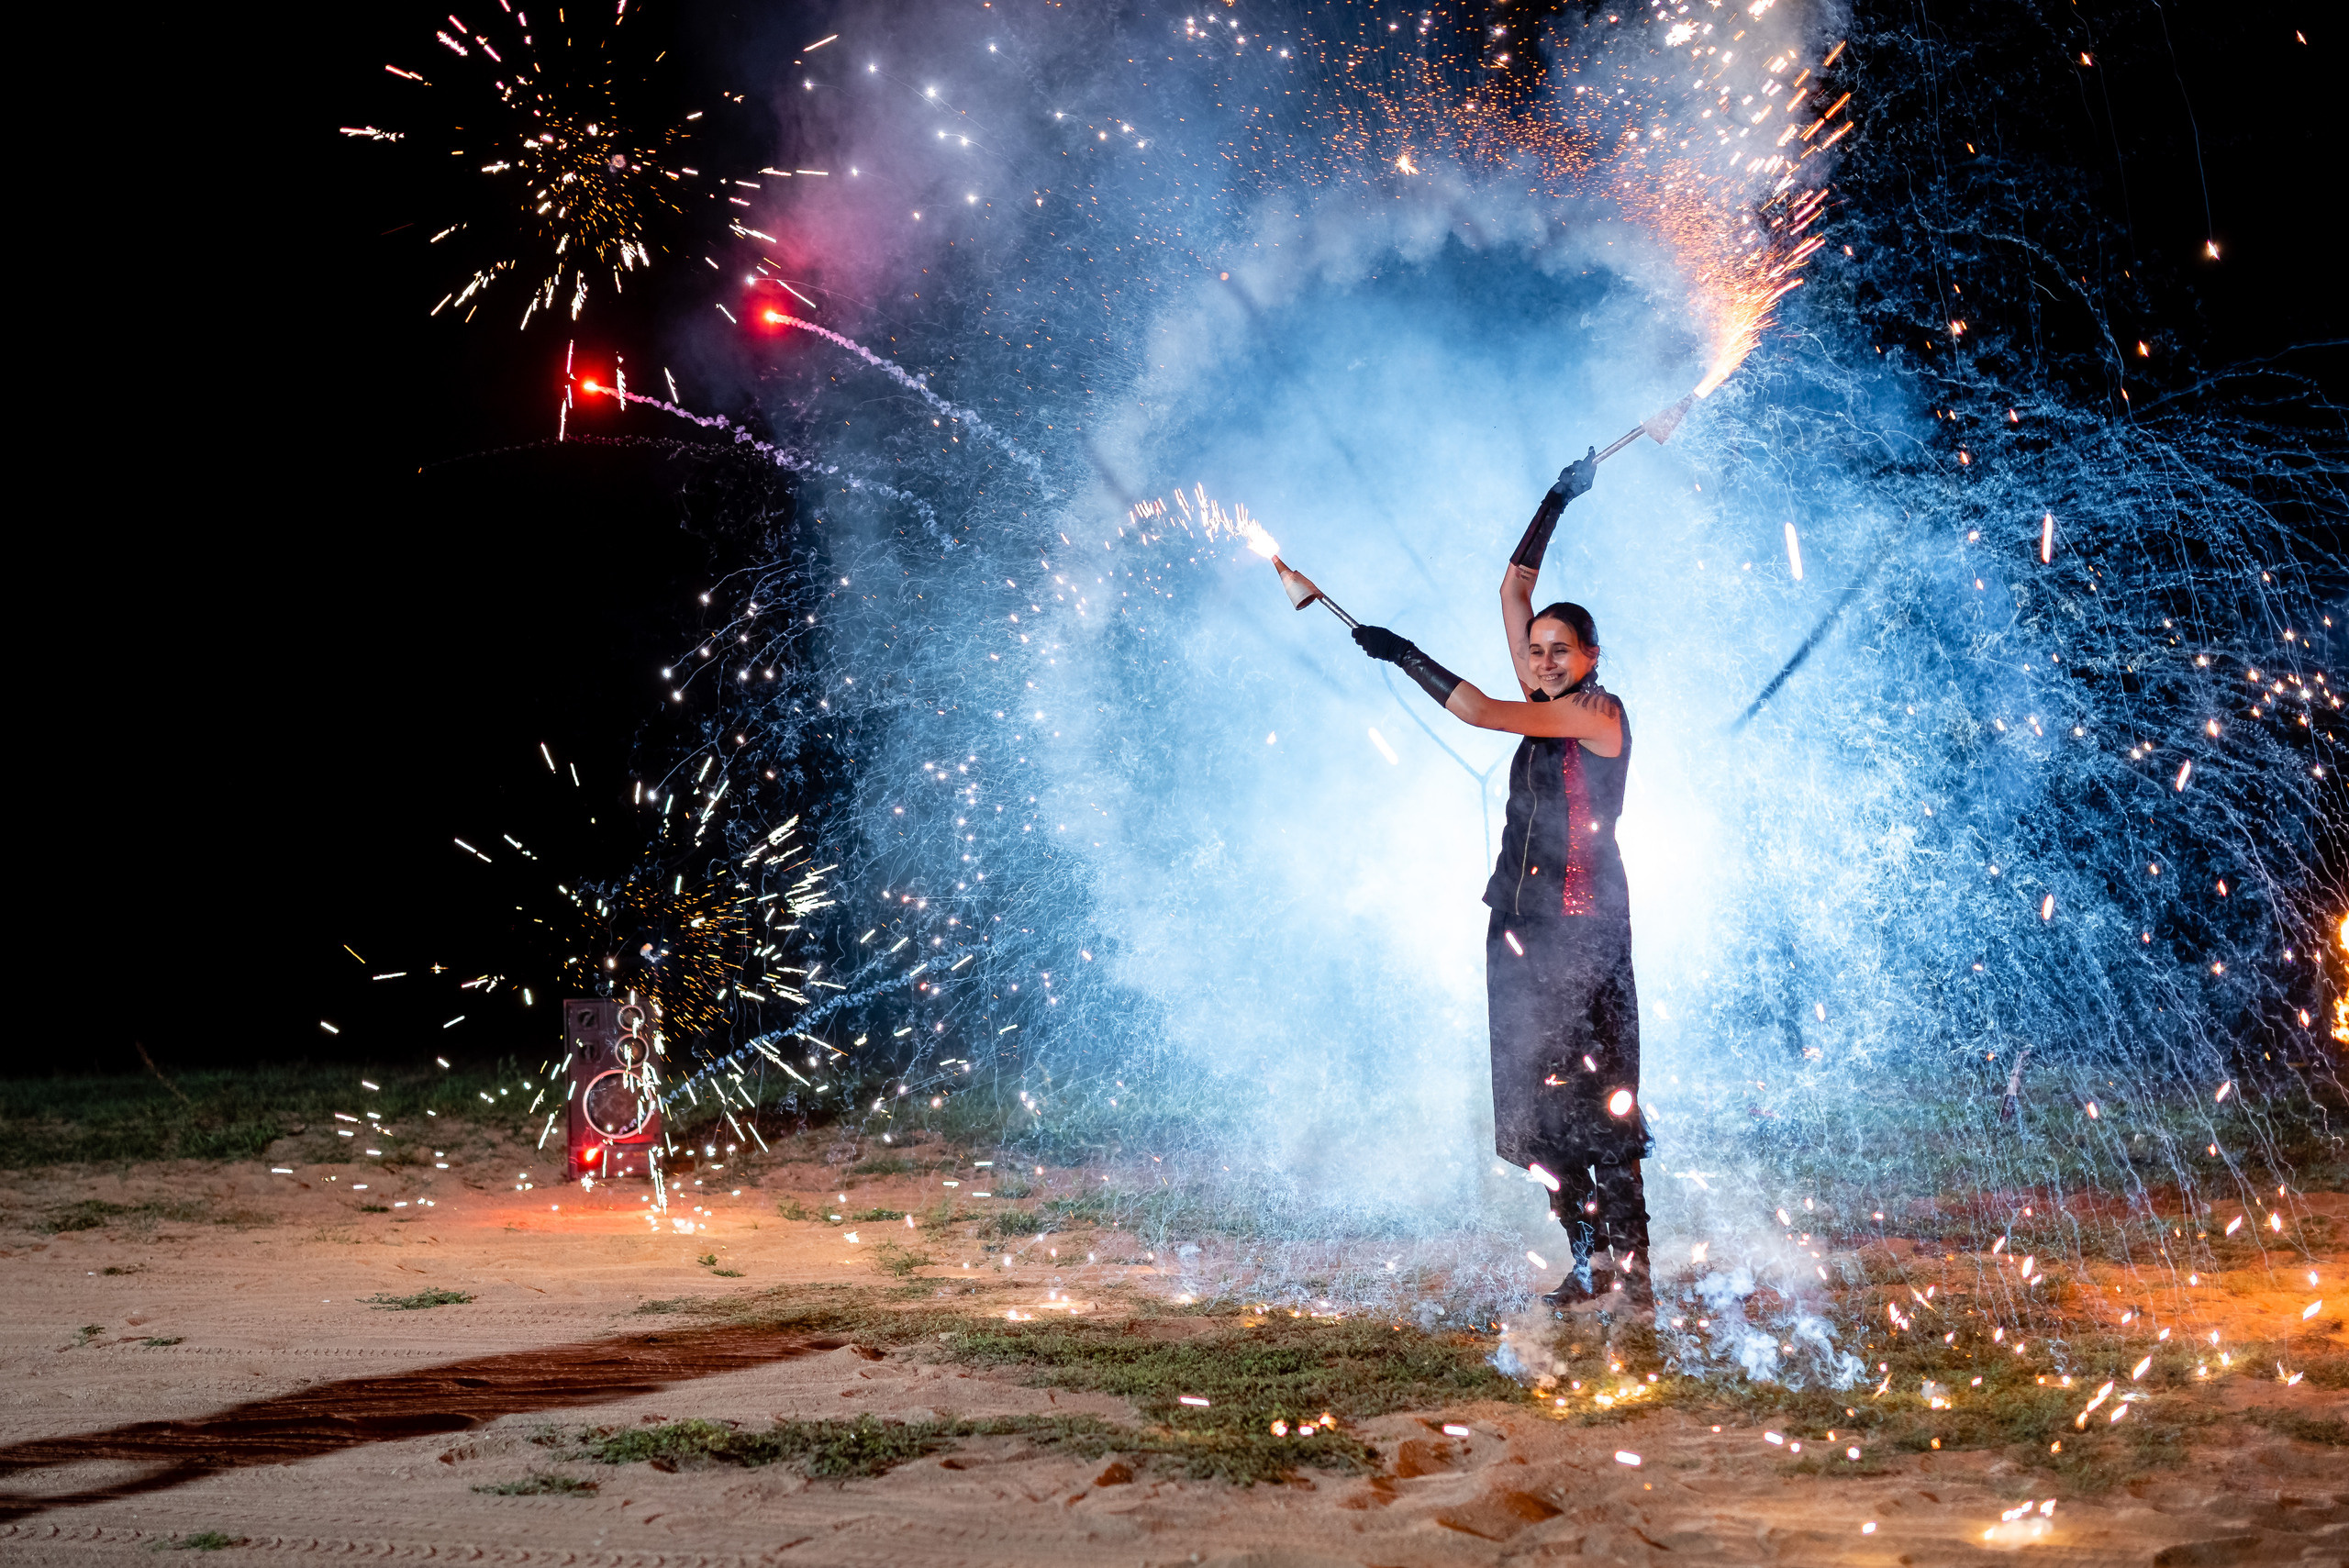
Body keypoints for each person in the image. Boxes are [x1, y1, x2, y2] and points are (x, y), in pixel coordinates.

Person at [1350, 448, 1651, 1309]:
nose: (1544, 659)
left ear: (1591, 655)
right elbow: (1512, 589)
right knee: (1535, 1106)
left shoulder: (1597, 713)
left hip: (1584, 936)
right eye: (1537, 650)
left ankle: (1634, 1275)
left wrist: (1404, 652)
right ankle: (1588, 1263)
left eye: (1561, 650)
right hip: (1520, 931)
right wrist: (1556, 499)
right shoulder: (1548, 696)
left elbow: (1479, 709)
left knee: (1594, 1099)